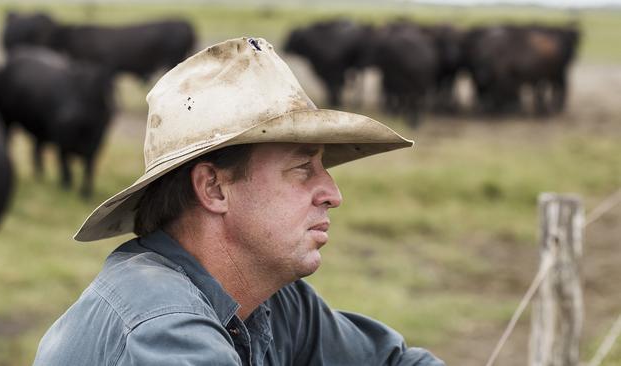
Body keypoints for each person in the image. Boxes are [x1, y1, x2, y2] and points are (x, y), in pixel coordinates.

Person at [33, 37, 445, 366]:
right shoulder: (161, 330)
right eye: (303, 168)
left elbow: (394, 361)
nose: (333, 194)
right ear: (213, 188)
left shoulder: (269, 300)